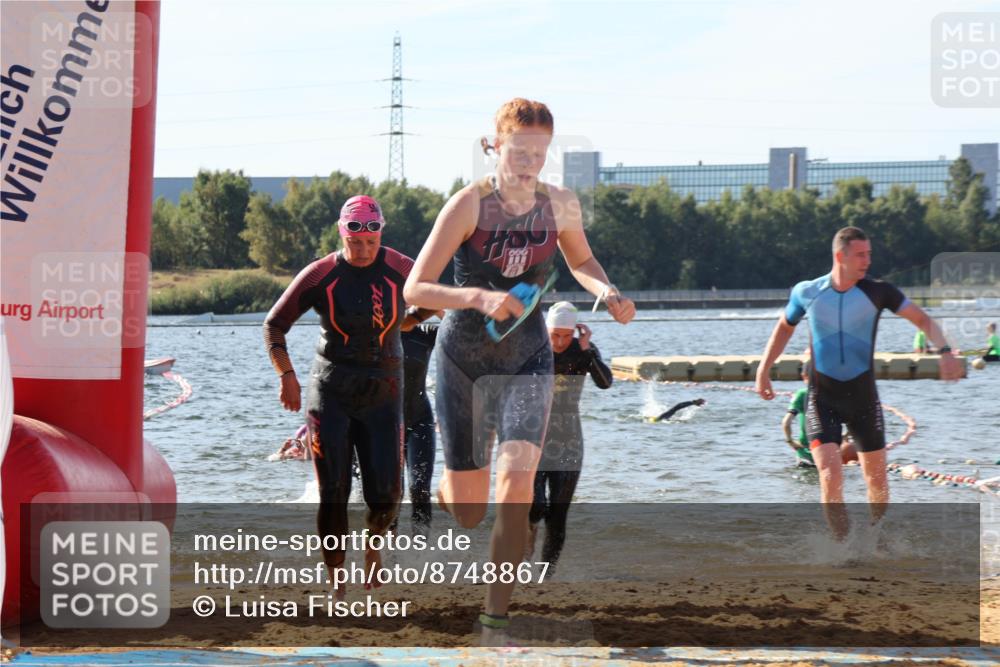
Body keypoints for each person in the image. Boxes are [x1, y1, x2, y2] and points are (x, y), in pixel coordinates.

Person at [403, 98, 636, 641]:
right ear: (496, 146)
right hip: (463, 360)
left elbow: (581, 260)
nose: (530, 161)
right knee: (468, 510)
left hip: (528, 357)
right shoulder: (467, 204)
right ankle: (450, 489)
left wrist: (607, 290)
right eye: (520, 150)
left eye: (540, 151)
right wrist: (478, 297)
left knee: (516, 483)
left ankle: (494, 616)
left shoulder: (560, 204)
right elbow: (416, 288)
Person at [263, 195, 433, 598]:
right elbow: (274, 325)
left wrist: (410, 320)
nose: (363, 251)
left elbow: (436, 297)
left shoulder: (402, 268)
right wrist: (287, 376)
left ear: (381, 235)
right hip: (331, 392)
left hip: (384, 394)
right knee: (333, 493)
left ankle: (373, 548)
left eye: (371, 243)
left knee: (387, 495)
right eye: (355, 243)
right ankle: (337, 578)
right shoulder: (320, 273)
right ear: (343, 235)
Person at [755, 226, 960, 539]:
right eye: (861, 255)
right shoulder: (807, 292)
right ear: (841, 256)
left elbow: (922, 319)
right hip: (822, 399)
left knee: (876, 481)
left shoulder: (879, 292)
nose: (867, 261)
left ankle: (874, 539)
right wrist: (764, 369)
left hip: (863, 398)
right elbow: (785, 327)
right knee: (829, 474)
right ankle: (842, 547)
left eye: (869, 254)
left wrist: (945, 352)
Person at [526, 302, 612, 572]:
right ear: (546, 330)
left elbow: (605, 382)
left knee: (558, 514)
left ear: (576, 331)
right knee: (535, 506)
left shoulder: (583, 350)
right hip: (533, 435)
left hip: (569, 438)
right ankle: (527, 533)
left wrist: (586, 350)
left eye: (567, 335)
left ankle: (546, 574)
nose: (561, 342)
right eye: (555, 335)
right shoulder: (532, 349)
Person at [398, 309, 444, 535]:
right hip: (384, 423)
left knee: (420, 488)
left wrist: (434, 305)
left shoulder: (425, 333)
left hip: (420, 419)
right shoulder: (379, 334)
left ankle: (420, 547)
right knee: (391, 492)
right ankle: (385, 548)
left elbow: (461, 333)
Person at [782, 363, 857, 468]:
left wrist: (790, 441)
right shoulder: (836, 394)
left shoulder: (802, 394)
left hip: (806, 453)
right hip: (831, 451)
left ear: (804, 375)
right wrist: (845, 435)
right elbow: (854, 420)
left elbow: (786, 423)